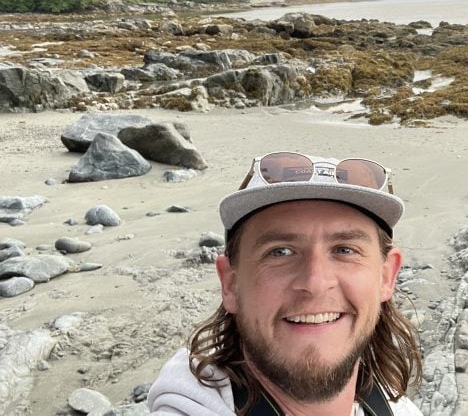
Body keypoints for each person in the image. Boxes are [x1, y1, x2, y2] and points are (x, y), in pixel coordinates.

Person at [148, 151, 423, 415]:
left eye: (345, 250)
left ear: (386, 277)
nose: (315, 283)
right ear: (230, 284)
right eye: (280, 252)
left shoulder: (394, 405)